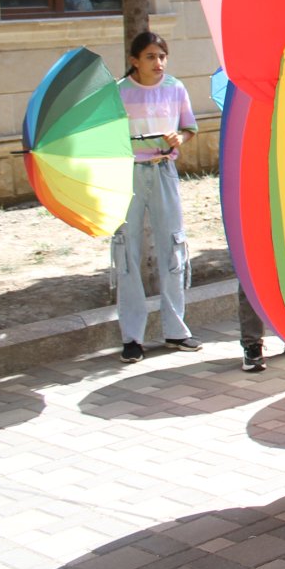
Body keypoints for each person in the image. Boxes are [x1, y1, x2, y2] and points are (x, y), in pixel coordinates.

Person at [113, 30, 201, 364]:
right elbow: (107, 136)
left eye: (162, 56)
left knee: (174, 247)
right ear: (134, 61)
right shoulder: (118, 93)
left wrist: (180, 137)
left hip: (164, 171)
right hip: (129, 175)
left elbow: (189, 127)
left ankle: (176, 329)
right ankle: (131, 336)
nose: (158, 63)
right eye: (150, 56)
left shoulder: (175, 88)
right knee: (126, 251)